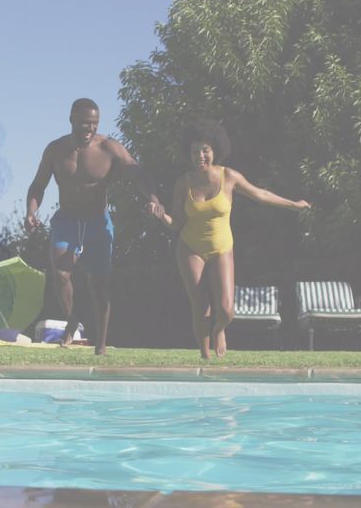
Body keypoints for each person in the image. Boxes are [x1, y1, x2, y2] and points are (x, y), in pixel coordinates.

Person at [150, 120, 311, 359]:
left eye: (205, 150)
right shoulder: (183, 183)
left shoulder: (229, 177)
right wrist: (162, 216)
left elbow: (260, 194)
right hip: (190, 247)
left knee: (226, 311)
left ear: (215, 150)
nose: (200, 156)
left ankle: (219, 329)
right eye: (195, 151)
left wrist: (293, 205)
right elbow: (177, 223)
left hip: (222, 247)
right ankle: (204, 357)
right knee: (200, 305)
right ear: (189, 154)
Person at [25, 97, 163, 355]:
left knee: (98, 285)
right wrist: (31, 211)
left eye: (94, 124)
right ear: (72, 120)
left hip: (97, 221)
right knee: (61, 273)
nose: (89, 128)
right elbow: (38, 185)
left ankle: (100, 344)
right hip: (66, 218)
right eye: (84, 123)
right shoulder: (55, 149)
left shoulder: (109, 148)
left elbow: (137, 172)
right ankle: (71, 319)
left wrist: (153, 199)